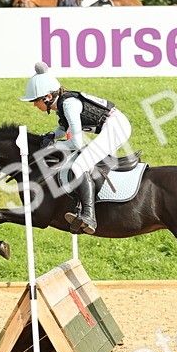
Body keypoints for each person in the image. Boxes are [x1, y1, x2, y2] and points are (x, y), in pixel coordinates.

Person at [19, 62, 132, 235]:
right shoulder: (62, 105)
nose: (34, 105)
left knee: (79, 166)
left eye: (35, 101)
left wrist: (54, 145)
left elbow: (76, 144)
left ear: (48, 97)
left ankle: (88, 215)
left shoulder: (69, 104)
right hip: (113, 126)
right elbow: (61, 130)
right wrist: (50, 136)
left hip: (116, 127)